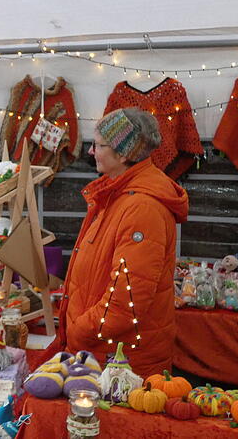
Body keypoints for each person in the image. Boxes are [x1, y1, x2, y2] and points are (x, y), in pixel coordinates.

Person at [61, 108, 187, 377]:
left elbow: (126, 300)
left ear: (123, 153)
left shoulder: (142, 207)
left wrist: (79, 330)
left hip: (121, 363)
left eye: (98, 145)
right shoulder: (117, 195)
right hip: (104, 351)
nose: (91, 152)